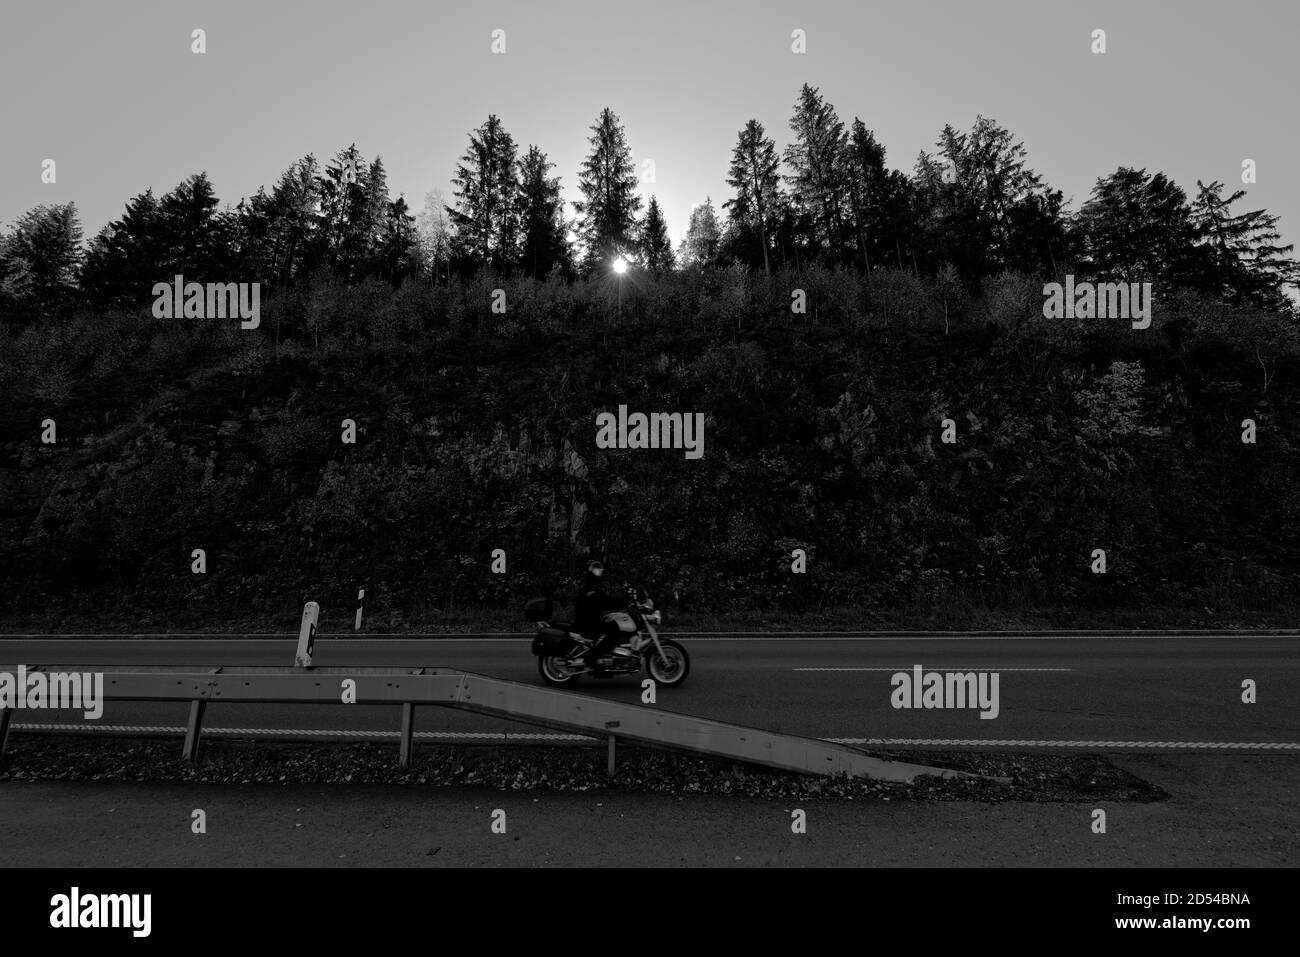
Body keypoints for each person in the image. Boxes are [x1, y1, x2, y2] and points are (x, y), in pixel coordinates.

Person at [572, 560, 623, 667]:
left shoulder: (593, 587)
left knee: (613, 625)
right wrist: (622, 602)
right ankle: (591, 658)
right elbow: (604, 601)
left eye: (599, 570)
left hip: (591, 620)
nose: (599, 572)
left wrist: (622, 600)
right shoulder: (589, 589)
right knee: (613, 630)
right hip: (586, 623)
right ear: (591, 571)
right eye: (596, 570)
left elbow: (605, 600)